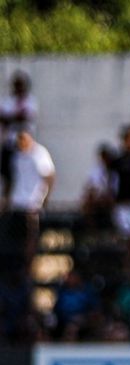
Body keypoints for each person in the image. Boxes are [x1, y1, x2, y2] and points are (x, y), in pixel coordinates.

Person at [3, 129, 54, 266]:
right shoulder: (16, 156)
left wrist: (44, 199)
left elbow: (49, 176)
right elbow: (13, 180)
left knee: (30, 237)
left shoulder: (39, 154)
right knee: (13, 239)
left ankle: (28, 268)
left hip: (32, 204)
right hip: (16, 203)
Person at [0, 71, 38, 203]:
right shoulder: (7, 101)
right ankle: (7, 202)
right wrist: (15, 117)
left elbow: (25, 118)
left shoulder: (31, 100)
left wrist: (10, 118)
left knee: (22, 174)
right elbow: (4, 118)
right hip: (9, 143)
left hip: (24, 145)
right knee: (7, 175)